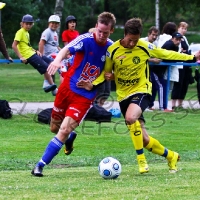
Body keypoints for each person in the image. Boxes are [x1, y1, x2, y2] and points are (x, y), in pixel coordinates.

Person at [98, 18, 200, 174]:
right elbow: (107, 72)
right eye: (130, 40)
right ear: (124, 34)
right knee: (144, 140)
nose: (133, 44)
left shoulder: (145, 46)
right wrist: (102, 79)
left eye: (136, 40)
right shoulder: (112, 50)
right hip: (123, 96)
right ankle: (171, 155)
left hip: (142, 90)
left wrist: (192, 57)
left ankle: (141, 161)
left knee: (131, 118)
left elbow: (166, 54)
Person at [31, 11, 116, 177]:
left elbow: (112, 73)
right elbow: (67, 50)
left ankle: (39, 165)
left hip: (84, 97)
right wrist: (56, 61)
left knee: (62, 130)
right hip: (66, 89)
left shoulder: (111, 49)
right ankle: (69, 139)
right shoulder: (86, 39)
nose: (101, 35)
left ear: (111, 31)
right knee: (54, 127)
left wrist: (99, 81)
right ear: (96, 26)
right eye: (99, 30)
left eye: (105, 33)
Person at [12, 14, 57, 93]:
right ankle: (53, 88)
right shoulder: (20, 32)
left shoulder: (27, 33)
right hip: (28, 55)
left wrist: (36, 51)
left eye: (30, 24)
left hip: (32, 52)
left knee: (51, 63)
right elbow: (14, 45)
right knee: (46, 67)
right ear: (22, 23)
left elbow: (26, 45)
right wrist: (21, 57)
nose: (28, 26)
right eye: (27, 24)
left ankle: (46, 84)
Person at [171, 22, 193, 110]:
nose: (184, 30)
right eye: (182, 28)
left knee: (185, 83)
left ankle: (180, 103)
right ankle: (173, 104)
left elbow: (187, 50)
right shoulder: (175, 38)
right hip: (179, 65)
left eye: (185, 29)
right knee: (178, 84)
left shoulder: (185, 38)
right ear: (178, 28)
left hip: (186, 64)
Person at [39, 15, 61, 96]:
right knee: (62, 68)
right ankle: (60, 87)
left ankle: (52, 88)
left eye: (56, 23)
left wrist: (63, 52)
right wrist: (41, 55)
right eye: (53, 23)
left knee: (62, 66)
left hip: (55, 53)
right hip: (49, 55)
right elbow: (41, 43)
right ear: (49, 23)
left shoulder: (55, 33)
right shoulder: (47, 32)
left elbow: (56, 46)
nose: (54, 25)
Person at [88, 27, 111, 107]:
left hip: (106, 71)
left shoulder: (107, 46)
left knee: (106, 92)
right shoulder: (90, 48)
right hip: (97, 74)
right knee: (100, 91)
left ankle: (100, 107)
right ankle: (95, 108)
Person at [141, 26, 162, 110]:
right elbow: (139, 56)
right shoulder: (142, 42)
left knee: (152, 86)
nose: (154, 37)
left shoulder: (155, 44)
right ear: (148, 34)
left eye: (156, 35)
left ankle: (149, 105)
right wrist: (152, 60)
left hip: (149, 68)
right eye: (153, 34)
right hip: (140, 68)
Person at [161, 32, 183, 110]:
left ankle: (164, 106)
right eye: (176, 39)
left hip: (166, 69)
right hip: (160, 69)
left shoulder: (174, 46)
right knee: (164, 88)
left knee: (168, 88)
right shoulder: (169, 44)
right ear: (172, 38)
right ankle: (163, 106)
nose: (178, 41)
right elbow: (168, 58)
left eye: (180, 40)